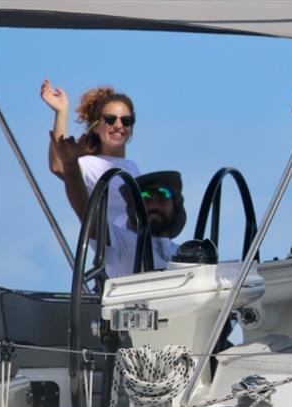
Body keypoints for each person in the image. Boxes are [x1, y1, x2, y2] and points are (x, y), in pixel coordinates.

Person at [52, 131, 185, 279]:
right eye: (145, 196)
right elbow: (87, 215)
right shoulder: (120, 244)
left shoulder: (187, 256)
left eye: (163, 195)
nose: (153, 203)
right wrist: (71, 166)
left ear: (175, 208)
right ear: (133, 209)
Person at [41, 79, 140, 227]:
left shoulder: (133, 168)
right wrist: (61, 112)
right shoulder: (90, 164)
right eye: (110, 119)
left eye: (126, 120)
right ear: (95, 127)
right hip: (109, 245)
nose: (119, 126)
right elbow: (59, 166)